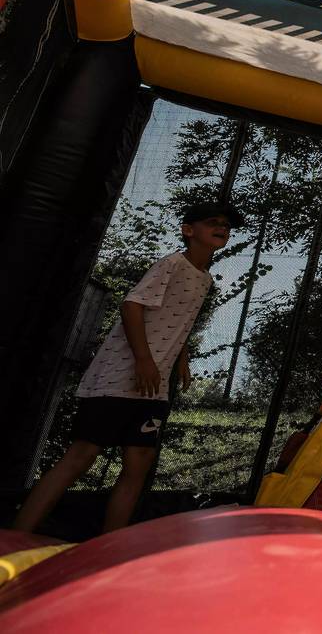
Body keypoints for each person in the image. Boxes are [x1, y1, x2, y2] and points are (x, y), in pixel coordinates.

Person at [12, 202, 242, 534]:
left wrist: (181, 356)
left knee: (139, 463)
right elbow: (132, 305)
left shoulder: (204, 279)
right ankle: (17, 537)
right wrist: (144, 360)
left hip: (154, 386)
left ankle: (112, 545)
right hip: (119, 377)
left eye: (226, 225)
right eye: (213, 222)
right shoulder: (171, 264)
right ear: (189, 230)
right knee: (82, 455)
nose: (222, 227)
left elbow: (177, 321)